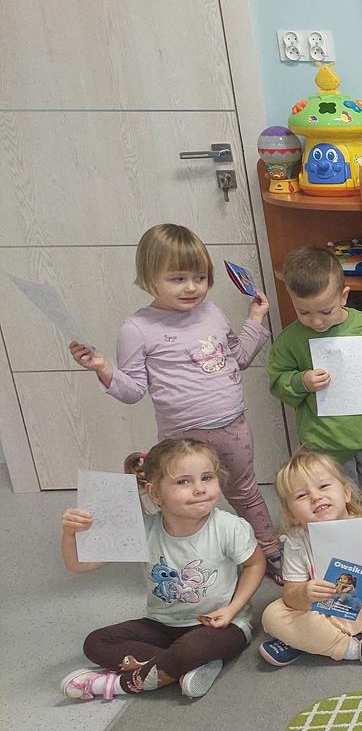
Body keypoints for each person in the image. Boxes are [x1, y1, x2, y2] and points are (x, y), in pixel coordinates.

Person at [69, 223, 282, 580]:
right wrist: (103, 367)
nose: (192, 287)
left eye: (200, 277)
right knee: (187, 499)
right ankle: (196, 562)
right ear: (149, 277)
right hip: (182, 437)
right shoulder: (137, 328)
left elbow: (238, 359)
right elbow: (133, 390)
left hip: (232, 426)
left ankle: (271, 552)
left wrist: (255, 319)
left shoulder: (213, 312)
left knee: (244, 490)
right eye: (178, 278)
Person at [60, 438, 264, 701]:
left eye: (207, 478)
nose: (200, 489)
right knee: (95, 642)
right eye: (184, 482)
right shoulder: (143, 530)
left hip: (220, 624)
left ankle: (119, 684)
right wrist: (70, 534)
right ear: (155, 494)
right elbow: (79, 565)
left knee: (194, 648)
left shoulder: (229, 527)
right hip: (162, 625)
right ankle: (180, 667)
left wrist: (232, 609)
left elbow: (255, 564)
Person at [266, 246, 362, 563]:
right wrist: (301, 381)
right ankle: (344, 547)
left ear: (344, 296)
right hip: (326, 444)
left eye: (326, 311)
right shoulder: (291, 340)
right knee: (333, 497)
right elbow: (278, 382)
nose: (316, 321)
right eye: (304, 313)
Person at [257, 450, 362, 666]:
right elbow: (291, 595)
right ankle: (353, 649)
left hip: (353, 606)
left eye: (324, 486)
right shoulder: (297, 541)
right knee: (271, 615)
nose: (316, 497)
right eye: (301, 495)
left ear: (346, 493)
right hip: (312, 609)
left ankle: (304, 640)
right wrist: (304, 593)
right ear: (291, 514)